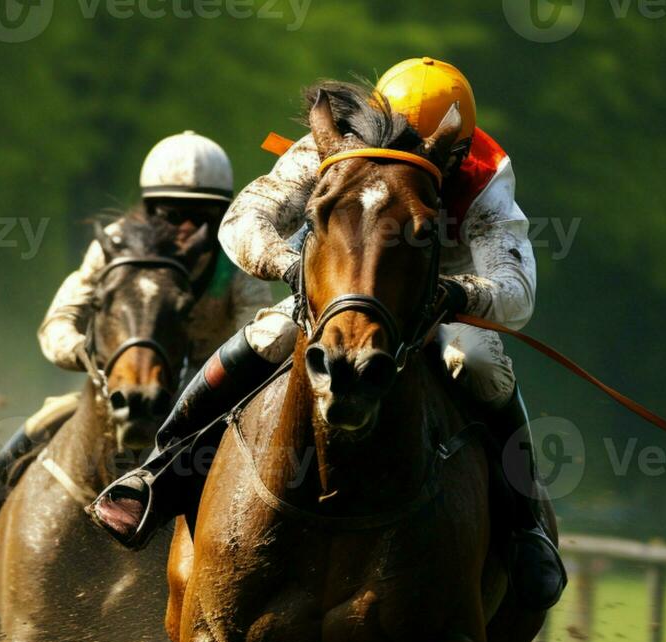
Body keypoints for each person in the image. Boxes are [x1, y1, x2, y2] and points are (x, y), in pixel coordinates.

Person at [91, 57, 566, 610]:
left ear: (455, 148)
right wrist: (290, 266)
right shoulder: (332, 146)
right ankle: (158, 472)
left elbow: (516, 289)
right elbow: (244, 219)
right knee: (269, 336)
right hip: (337, 292)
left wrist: (457, 293)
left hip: (437, 295)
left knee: (477, 359)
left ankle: (524, 525)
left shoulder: (485, 177)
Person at [0, 131, 274, 565]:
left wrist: (208, 378)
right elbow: (59, 321)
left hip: (208, 388)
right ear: (149, 209)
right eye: (171, 212)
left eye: (200, 213)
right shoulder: (115, 245)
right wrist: (91, 358)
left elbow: (255, 328)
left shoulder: (237, 258)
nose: (185, 227)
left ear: (222, 213)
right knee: (47, 418)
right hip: (123, 380)